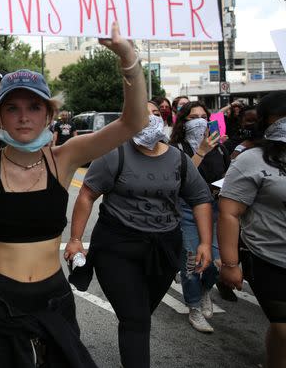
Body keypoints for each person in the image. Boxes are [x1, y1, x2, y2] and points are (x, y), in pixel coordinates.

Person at [0, 23, 149, 367]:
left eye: (34, 107)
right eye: (12, 108)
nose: (23, 117)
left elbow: (134, 122)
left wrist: (127, 56)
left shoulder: (64, 158)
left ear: (48, 114)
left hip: (54, 303)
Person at [66, 100, 214, 367]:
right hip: (117, 248)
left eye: (156, 114)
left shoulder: (178, 159)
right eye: (142, 115)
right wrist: (76, 240)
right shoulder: (114, 154)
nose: (151, 119)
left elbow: (200, 198)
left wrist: (204, 242)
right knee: (136, 319)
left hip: (164, 250)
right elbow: (87, 195)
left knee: (141, 313)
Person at [219, 92, 286, 368]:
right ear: (266, 121)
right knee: (284, 329)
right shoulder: (251, 159)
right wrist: (230, 263)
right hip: (268, 258)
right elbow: (229, 212)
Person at [169, 100, 230, 332]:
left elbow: (228, 174)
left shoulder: (221, 148)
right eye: (193, 117)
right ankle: (194, 307)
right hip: (188, 210)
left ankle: (205, 290)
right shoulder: (176, 149)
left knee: (216, 262)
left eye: (203, 117)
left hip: (216, 209)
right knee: (193, 261)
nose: (199, 121)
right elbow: (181, 180)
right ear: (183, 122)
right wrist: (201, 151)